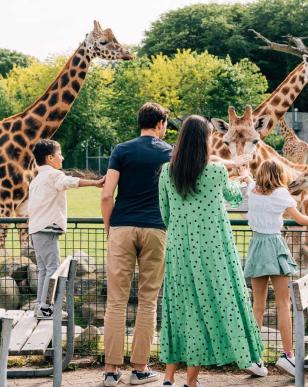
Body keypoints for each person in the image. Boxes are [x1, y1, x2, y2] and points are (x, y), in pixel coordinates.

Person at [158, 115, 266, 387]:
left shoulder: (165, 172)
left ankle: (169, 378)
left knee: (180, 308)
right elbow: (233, 196)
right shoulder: (216, 173)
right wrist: (242, 177)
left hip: (179, 248)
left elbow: (165, 214)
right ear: (205, 141)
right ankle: (191, 381)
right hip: (214, 248)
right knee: (208, 306)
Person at [101, 102, 173, 387]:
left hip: (122, 227)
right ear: (160, 124)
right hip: (156, 228)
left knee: (116, 301)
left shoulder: (121, 150)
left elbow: (107, 194)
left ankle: (110, 370)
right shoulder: (169, 152)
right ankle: (140, 369)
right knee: (148, 300)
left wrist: (111, 227)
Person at [243, 160, 308, 376]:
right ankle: (287, 355)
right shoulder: (281, 195)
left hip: (256, 244)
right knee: (283, 304)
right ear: (279, 174)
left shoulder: (252, 191)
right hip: (274, 245)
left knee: (257, 305)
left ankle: (254, 357)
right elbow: (301, 219)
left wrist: (246, 175)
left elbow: (249, 183)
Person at [28, 139, 104, 319]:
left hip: (36, 229)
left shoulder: (37, 179)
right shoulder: (53, 175)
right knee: (53, 269)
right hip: (47, 229)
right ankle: (46, 307)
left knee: (44, 270)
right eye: (59, 154)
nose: (62, 157)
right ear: (50, 158)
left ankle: (41, 305)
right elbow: (69, 182)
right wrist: (95, 183)